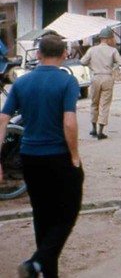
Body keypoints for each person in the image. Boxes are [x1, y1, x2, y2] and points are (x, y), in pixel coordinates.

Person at [0, 33, 83, 278]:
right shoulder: (68, 82)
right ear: (65, 55)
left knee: (42, 213)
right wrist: (75, 156)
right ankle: (37, 263)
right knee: (69, 211)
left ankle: (46, 272)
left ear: (38, 54)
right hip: (58, 156)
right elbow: (69, 122)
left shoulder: (22, 83)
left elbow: (3, 120)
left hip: (30, 157)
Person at [80, 27, 121, 140]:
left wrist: (91, 65)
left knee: (94, 103)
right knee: (105, 104)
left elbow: (82, 62)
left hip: (95, 77)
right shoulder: (113, 50)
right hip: (107, 78)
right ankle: (101, 130)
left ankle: (93, 128)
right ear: (109, 39)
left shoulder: (92, 50)